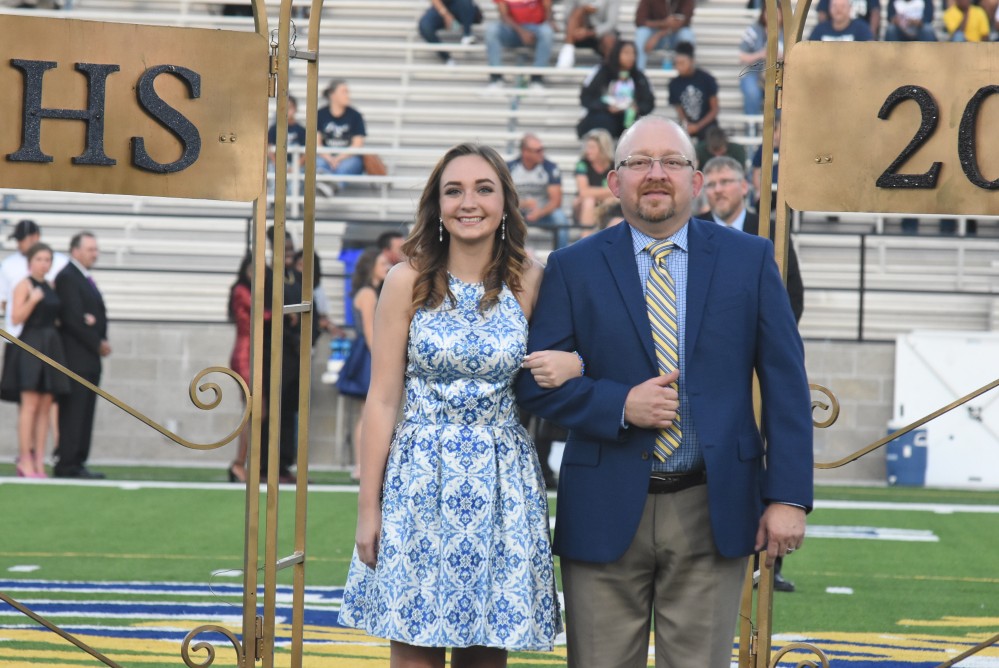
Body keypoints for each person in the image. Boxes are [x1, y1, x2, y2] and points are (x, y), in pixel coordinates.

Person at [515, 116, 814, 667]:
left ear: (696, 181)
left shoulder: (748, 260)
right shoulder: (572, 267)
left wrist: (788, 496)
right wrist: (618, 404)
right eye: (638, 163)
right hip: (604, 507)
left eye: (672, 162)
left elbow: (786, 384)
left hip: (714, 504)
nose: (656, 174)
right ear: (614, 182)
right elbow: (534, 387)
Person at [339, 143, 580, 661]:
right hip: (418, 479)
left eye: (483, 188)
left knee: (485, 653)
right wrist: (368, 507)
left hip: (502, 483)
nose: (468, 202)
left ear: (505, 203)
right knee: (413, 649)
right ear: (437, 205)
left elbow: (576, 361)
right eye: (454, 190)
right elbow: (382, 401)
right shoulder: (405, 281)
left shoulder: (532, 280)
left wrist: (576, 363)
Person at [0, 243, 70, 478]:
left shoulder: (50, 285)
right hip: (30, 345)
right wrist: (32, 300)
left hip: (51, 345)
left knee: (44, 407)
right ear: (30, 262)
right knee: (29, 406)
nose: (44, 263)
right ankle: (25, 460)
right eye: (40, 259)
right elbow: (16, 317)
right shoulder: (24, 284)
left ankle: (40, 461)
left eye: (48, 259)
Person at [54, 232, 109, 480]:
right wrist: (97, 342)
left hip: (89, 358)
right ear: (75, 250)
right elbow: (74, 319)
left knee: (85, 411)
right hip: (76, 357)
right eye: (90, 249)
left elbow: (90, 315)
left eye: (95, 249)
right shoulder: (68, 277)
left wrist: (98, 333)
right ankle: (67, 462)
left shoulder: (82, 278)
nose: (94, 254)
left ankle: (78, 461)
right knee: (74, 412)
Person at [337, 247, 391, 481]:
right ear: (371, 267)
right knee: (366, 411)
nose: (387, 268)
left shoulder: (372, 291)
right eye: (382, 264)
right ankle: (361, 465)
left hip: (370, 351)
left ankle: (365, 464)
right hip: (368, 353)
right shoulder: (368, 293)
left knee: (368, 411)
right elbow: (369, 328)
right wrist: (380, 357)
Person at [1, 220, 68, 338]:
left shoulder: (60, 262)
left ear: (35, 237)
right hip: (17, 334)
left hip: (48, 334)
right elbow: (4, 301)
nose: (19, 244)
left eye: (22, 239)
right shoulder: (8, 264)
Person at [577, 40, 656, 140]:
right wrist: (606, 107)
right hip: (604, 116)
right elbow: (586, 98)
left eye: (633, 53)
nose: (630, 57)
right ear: (617, 53)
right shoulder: (602, 72)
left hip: (629, 117)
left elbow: (649, 102)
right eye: (626, 53)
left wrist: (637, 108)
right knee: (602, 121)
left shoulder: (639, 76)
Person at [507, 133, 570, 249]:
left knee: (560, 218)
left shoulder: (550, 167)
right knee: (502, 216)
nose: (542, 153)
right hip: (516, 211)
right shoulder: (510, 168)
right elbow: (503, 198)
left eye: (542, 149)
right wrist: (523, 204)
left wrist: (539, 212)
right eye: (538, 150)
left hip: (543, 212)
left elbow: (556, 201)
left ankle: (561, 255)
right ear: (525, 152)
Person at [226, 252, 254, 483]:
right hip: (245, 354)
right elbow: (255, 317)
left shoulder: (250, 290)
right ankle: (238, 463)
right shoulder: (241, 291)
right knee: (252, 410)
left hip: (254, 353)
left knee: (257, 411)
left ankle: (243, 462)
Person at [485, 0, 554, 89]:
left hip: (535, 28)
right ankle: (496, 78)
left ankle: (537, 79)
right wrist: (522, 32)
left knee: (547, 32)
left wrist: (550, 20)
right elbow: (503, 15)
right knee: (491, 30)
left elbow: (547, 6)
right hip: (512, 29)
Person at [316, 79, 366, 191]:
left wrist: (338, 158)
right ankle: (330, 185)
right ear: (332, 95)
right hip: (326, 157)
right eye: (344, 92)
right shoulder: (320, 114)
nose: (347, 95)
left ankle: (330, 185)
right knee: (318, 162)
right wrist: (329, 158)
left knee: (350, 164)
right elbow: (316, 143)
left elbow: (358, 145)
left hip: (347, 158)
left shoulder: (355, 116)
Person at [668, 41, 720, 142]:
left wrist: (698, 126)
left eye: (682, 63)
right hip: (687, 125)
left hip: (707, 125)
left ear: (692, 61)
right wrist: (686, 124)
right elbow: (679, 110)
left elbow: (714, 109)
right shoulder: (673, 84)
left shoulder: (707, 79)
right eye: (677, 63)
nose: (679, 67)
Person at [738, 3, 783, 117]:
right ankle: (751, 129)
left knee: (781, 93)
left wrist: (781, 57)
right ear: (763, 14)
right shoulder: (753, 30)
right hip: (754, 72)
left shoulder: (788, 33)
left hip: (779, 75)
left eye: (776, 13)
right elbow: (742, 56)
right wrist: (760, 54)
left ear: (782, 15)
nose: (773, 17)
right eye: (769, 13)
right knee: (752, 92)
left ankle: (779, 129)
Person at [633, 0, 697, 72]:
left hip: (674, 34)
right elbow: (639, 20)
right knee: (642, 33)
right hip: (655, 35)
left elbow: (685, 19)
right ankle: (638, 73)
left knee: (687, 34)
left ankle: (688, 73)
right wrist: (663, 24)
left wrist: (664, 31)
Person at [556, 0, 621, 69]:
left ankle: (610, 70)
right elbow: (567, 18)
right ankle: (567, 51)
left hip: (601, 33)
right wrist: (583, 10)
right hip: (577, 31)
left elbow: (611, 23)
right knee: (577, 12)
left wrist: (590, 32)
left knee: (609, 40)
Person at [573, 128, 615, 233]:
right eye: (587, 147)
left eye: (592, 147)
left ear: (603, 148)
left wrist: (595, 193)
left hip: (604, 204)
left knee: (610, 201)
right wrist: (609, 191)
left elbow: (620, 193)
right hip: (583, 206)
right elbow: (584, 192)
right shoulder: (582, 164)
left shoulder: (614, 165)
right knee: (588, 201)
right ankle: (585, 239)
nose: (588, 151)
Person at [267, 94, 309, 198]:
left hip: (295, 164)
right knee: (273, 173)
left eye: (289, 107)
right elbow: (268, 147)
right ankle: (273, 200)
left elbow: (307, 151)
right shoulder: (274, 128)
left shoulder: (301, 130)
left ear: (295, 109)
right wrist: (277, 163)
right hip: (278, 163)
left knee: (295, 182)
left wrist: (296, 166)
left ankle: (293, 203)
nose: (286, 111)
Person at [419, 0, 479, 66]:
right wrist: (445, 14)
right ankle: (447, 58)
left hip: (461, 6)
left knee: (464, 2)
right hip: (442, 7)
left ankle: (467, 34)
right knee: (425, 26)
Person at [809, 0, 875, 40]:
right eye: (835, 6)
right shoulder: (819, 30)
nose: (838, 10)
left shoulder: (861, 29)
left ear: (850, 9)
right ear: (829, 8)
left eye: (842, 6)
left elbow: (869, 53)